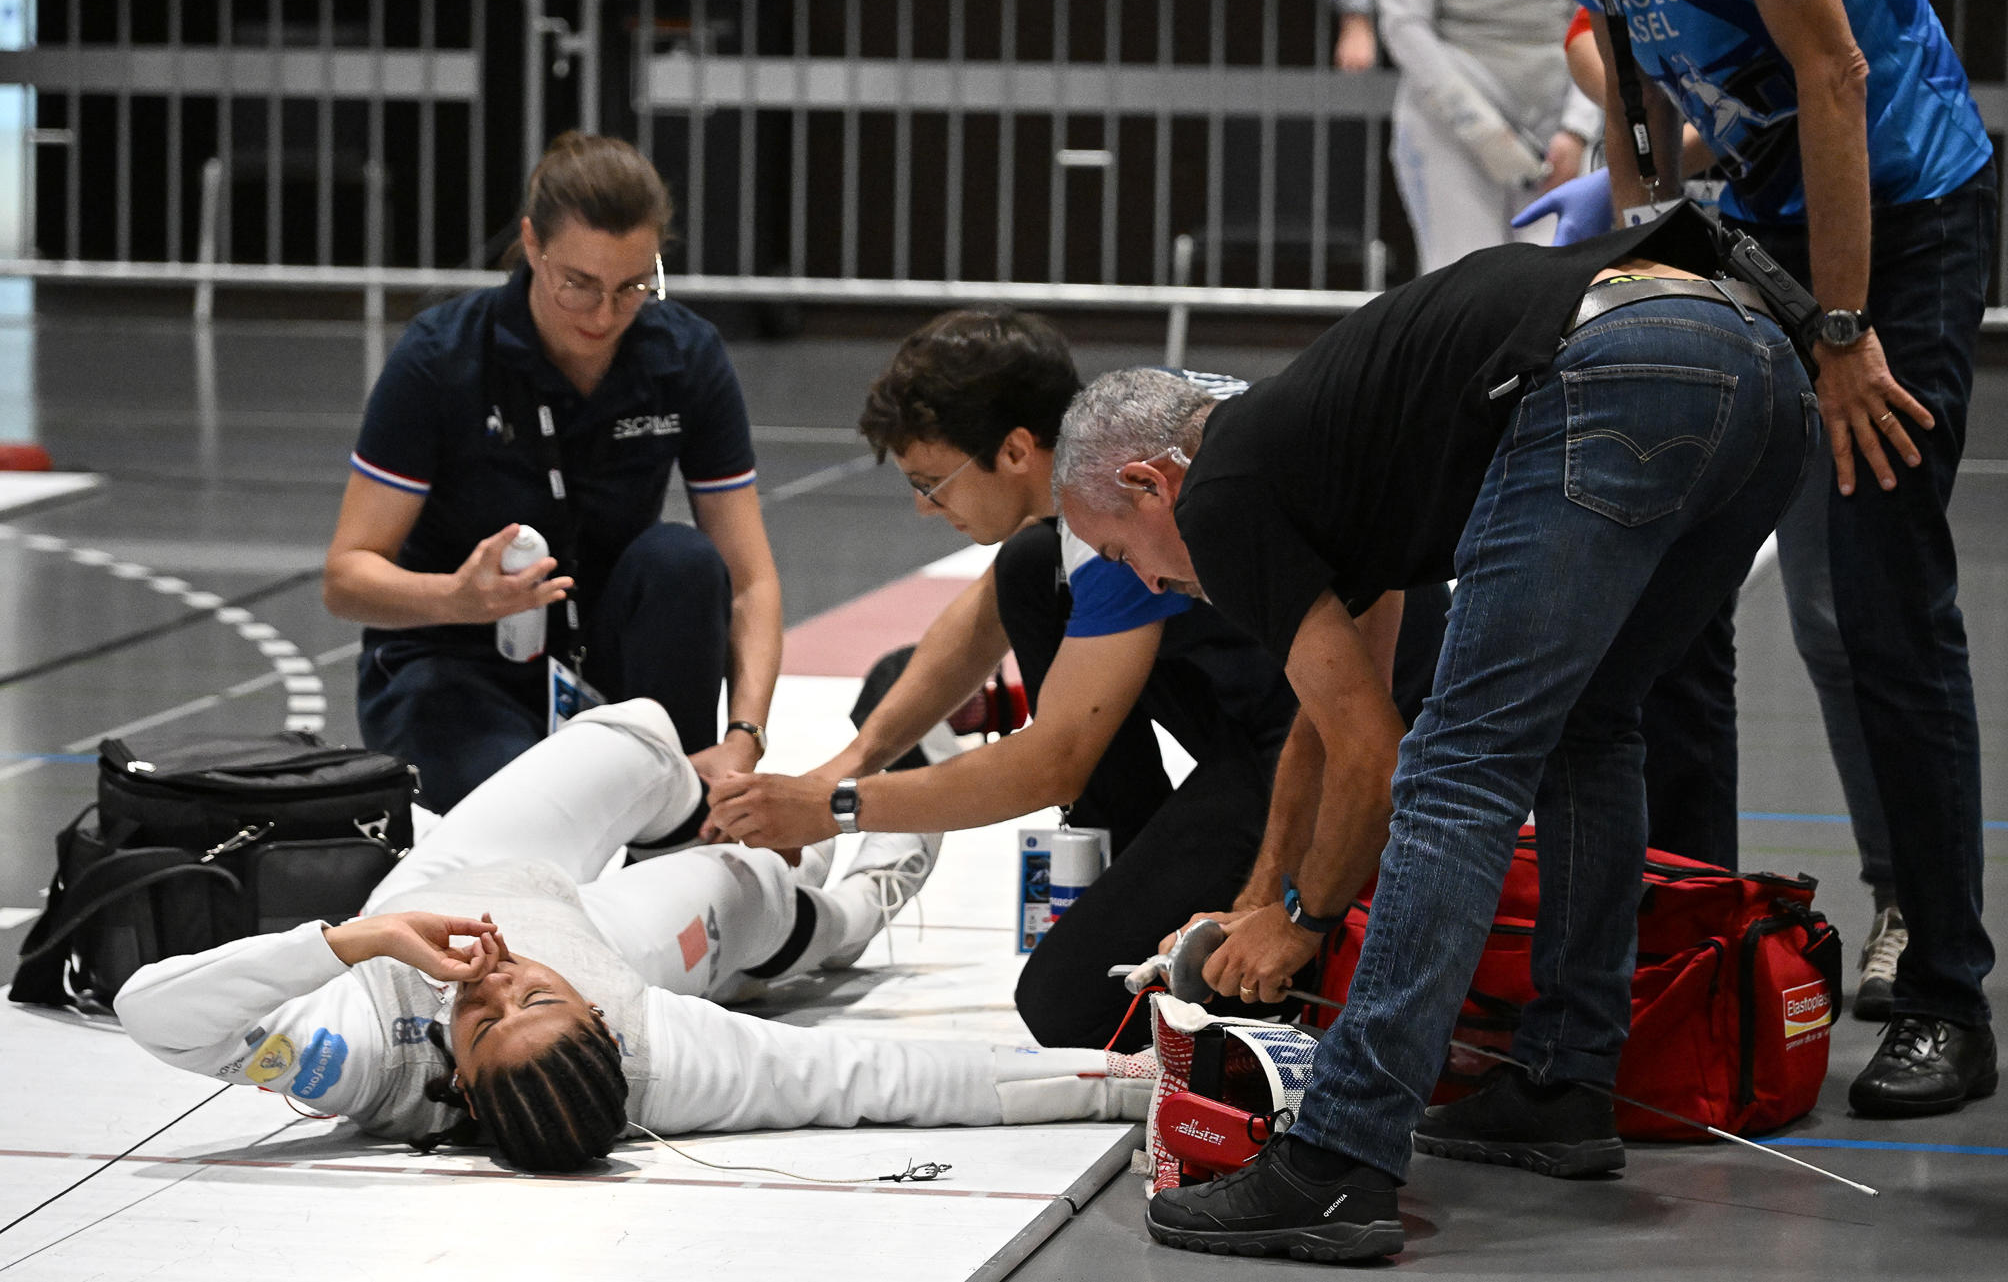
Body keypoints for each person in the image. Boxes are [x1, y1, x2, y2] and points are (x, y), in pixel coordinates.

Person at [1053, 203, 1813, 1261]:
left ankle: (1340, 1160)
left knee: (1464, 767)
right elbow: (1330, 723)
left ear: (1147, 481)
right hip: (1761, 369)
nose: (1145, 579)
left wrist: (1306, 919)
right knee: (1592, 725)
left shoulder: (1223, 498)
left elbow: (1385, 755)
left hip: (1616, 363)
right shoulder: (1315, 451)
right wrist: (1259, 897)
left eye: (1120, 546)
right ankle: (1563, 1083)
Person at [705, 308, 1445, 1050]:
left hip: (1333, 718)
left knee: (1073, 1005)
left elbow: (1055, 759)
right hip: (1307, 671)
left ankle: (1269, 973)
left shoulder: (1127, 509)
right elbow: (984, 615)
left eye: (934, 483)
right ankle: (1147, 861)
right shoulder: (1126, 430)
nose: (925, 508)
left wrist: (837, 808)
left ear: (1017, 448)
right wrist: (846, 763)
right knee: (1030, 574)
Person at [113, 700, 1152, 1174]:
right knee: (761, 881)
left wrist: (358, 938)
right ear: (606, 1026)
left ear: (457, 1077)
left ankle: (700, 803)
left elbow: (150, 1011)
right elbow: (889, 1074)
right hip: (615, 930)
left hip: (444, 877)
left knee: (642, 731)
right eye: (537, 1001)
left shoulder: (360, 1059)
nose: (500, 979)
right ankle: (865, 880)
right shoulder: (669, 1058)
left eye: (490, 1011)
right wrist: (1127, 1079)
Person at [1558, 0, 1997, 1082]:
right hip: (1754, 224)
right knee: (1672, 579)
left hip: (1898, 214)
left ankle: (1949, 994)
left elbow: (1836, 75)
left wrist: (1842, 332)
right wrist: (1643, 245)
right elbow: (1630, 78)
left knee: (1879, 599)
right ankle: (1698, 943)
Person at [324, 131, 783, 813]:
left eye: (632, 286)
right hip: (456, 663)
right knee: (541, 817)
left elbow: (751, 581)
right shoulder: (441, 357)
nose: (604, 315)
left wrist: (744, 736)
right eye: (580, 285)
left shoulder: (685, 356)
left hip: (607, 657)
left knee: (683, 559)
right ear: (533, 245)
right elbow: (346, 576)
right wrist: (456, 598)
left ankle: (681, 805)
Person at [1374, 0, 1602, 273]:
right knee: (1463, 282)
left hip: (1555, 123)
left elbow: (1596, 13)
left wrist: (1577, 129)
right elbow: (1404, 23)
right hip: (1447, 127)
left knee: (1556, 282)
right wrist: (1483, 132)